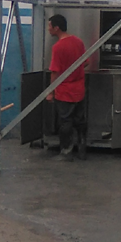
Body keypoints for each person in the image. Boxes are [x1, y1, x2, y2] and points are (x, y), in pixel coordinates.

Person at [46, 14, 88, 160]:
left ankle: (66, 151)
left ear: (56, 28)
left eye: (49, 26)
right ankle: (82, 149)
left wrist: (50, 92)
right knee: (80, 120)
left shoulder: (58, 47)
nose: (48, 29)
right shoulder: (78, 42)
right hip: (79, 89)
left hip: (64, 91)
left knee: (65, 121)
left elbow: (55, 72)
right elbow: (86, 62)